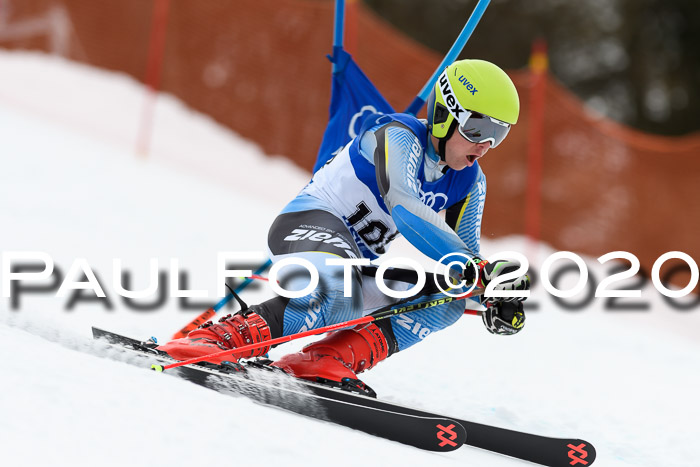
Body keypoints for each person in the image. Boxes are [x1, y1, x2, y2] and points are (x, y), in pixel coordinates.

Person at [158, 59, 530, 393]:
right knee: (337, 285)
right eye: (479, 128)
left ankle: (326, 360)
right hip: (307, 224)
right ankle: (218, 339)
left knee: (448, 301)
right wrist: (472, 270)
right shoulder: (398, 136)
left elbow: (465, 261)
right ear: (447, 113)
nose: (486, 145)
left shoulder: (470, 182)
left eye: (499, 134)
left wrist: (492, 294)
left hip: (356, 265)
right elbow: (405, 207)